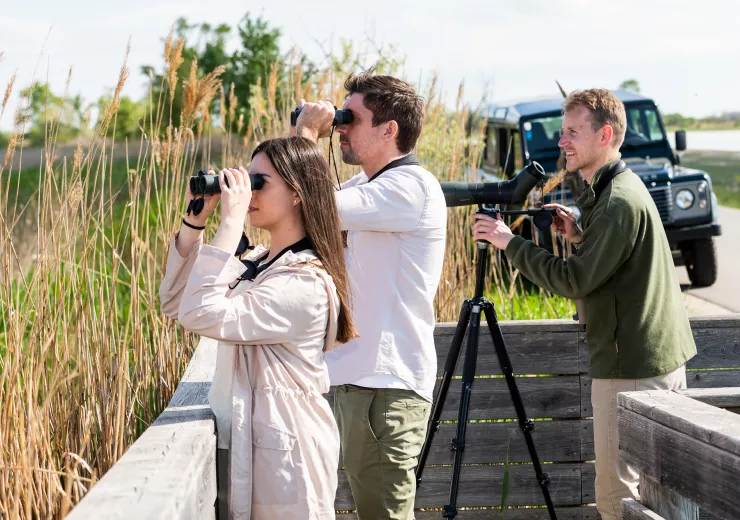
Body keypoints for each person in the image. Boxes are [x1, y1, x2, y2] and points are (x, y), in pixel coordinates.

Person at [471, 89, 697, 520]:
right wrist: (578, 234)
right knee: (663, 500)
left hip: (630, 369)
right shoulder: (619, 189)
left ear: (605, 134)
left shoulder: (616, 203)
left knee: (616, 499)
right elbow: (616, 267)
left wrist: (507, 241)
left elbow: (573, 280)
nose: (562, 142)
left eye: (572, 132)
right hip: (654, 361)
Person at [159, 136, 358, 520]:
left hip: (289, 459)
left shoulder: (304, 282)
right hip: (262, 447)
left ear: (297, 194)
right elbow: (176, 302)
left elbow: (200, 313)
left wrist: (231, 222)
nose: (247, 191)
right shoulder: (260, 263)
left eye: (259, 182)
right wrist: (194, 222)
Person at [294, 70, 447, 519]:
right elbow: (299, 204)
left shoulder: (410, 188)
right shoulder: (367, 187)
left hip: (386, 388)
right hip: (358, 383)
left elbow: (315, 205)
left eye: (350, 119)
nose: (339, 128)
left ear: (388, 129)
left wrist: (305, 134)